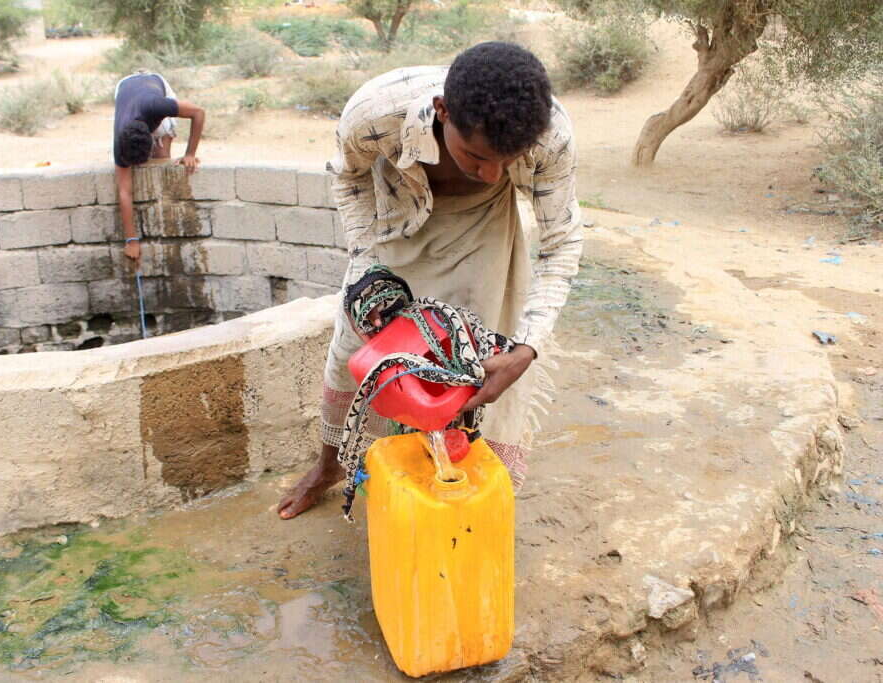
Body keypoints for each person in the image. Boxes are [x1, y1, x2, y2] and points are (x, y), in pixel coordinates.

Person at [277, 41, 584, 519]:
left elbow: (561, 242)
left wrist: (527, 345)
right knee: (352, 358)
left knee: (470, 367)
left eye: (507, 160)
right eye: (477, 155)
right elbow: (349, 178)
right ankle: (330, 466)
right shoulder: (376, 114)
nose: (491, 173)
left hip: (484, 228)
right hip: (394, 219)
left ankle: (461, 488)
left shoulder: (549, 136)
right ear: (442, 111)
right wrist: (364, 263)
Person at [112, 72, 206, 266]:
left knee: (162, 157)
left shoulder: (158, 106)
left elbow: (198, 112)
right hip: (124, 88)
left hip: (153, 82)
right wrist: (131, 240)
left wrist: (190, 153)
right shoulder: (119, 142)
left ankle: (162, 140)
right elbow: (124, 191)